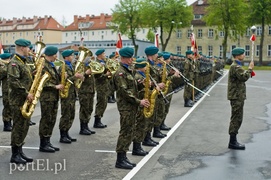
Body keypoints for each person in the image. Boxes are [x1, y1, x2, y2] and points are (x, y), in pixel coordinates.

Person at [114, 47, 150, 169]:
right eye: (130, 58)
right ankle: (120, 159)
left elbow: (131, 87)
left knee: (129, 131)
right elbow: (124, 91)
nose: (132, 60)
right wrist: (139, 102)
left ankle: (124, 157)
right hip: (126, 107)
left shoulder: (128, 71)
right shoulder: (120, 72)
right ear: (124, 58)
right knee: (125, 132)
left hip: (131, 106)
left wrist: (141, 84)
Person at [8, 38, 34, 164]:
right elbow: (13, 81)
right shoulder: (14, 62)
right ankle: (14, 154)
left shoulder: (23, 62)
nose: (30, 50)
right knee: (18, 127)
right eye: (29, 48)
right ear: (22, 48)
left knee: (24, 127)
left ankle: (20, 150)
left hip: (25, 99)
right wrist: (26, 93)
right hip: (18, 100)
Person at [227, 47, 254, 150]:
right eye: (242, 54)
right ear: (238, 55)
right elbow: (243, 77)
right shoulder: (236, 66)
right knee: (236, 118)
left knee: (238, 118)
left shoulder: (236, 66)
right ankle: (232, 142)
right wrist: (250, 69)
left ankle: (233, 140)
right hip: (236, 96)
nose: (244, 55)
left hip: (238, 96)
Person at [39, 46, 64, 152]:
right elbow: (41, 82)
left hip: (53, 97)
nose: (56, 56)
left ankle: (48, 141)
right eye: (55, 54)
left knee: (52, 119)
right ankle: (43, 143)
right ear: (51, 54)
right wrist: (55, 86)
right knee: (46, 119)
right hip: (47, 97)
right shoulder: (43, 65)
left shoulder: (51, 65)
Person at [59, 49, 85, 143]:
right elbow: (64, 81)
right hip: (66, 94)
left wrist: (80, 77)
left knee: (71, 114)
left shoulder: (71, 66)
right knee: (65, 114)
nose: (73, 57)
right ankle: (63, 135)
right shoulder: (63, 67)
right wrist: (76, 76)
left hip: (72, 93)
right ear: (66, 57)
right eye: (71, 56)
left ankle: (67, 133)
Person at [93, 49, 111, 128]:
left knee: (104, 103)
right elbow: (97, 77)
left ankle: (99, 119)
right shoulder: (96, 63)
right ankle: (97, 121)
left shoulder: (104, 62)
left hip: (105, 85)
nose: (105, 55)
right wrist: (106, 75)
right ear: (99, 55)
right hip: (100, 85)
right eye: (103, 53)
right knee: (101, 103)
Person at [78, 57, 96, 135]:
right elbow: (78, 78)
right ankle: (83, 128)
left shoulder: (90, 66)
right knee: (84, 110)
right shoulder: (80, 66)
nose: (89, 59)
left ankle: (86, 126)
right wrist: (85, 74)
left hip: (90, 91)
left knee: (89, 109)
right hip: (84, 91)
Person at [0, 53, 13, 131]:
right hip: (6, 90)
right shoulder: (2, 67)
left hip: (12, 90)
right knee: (7, 107)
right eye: (9, 59)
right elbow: (4, 72)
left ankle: (10, 123)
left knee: (11, 107)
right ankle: (6, 124)